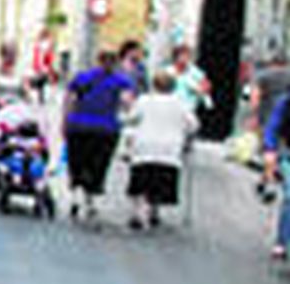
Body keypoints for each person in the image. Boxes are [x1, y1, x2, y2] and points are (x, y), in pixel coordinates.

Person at [63, 48, 135, 222]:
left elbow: (70, 101)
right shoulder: (121, 81)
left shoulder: (82, 78)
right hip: (105, 128)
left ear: (98, 60)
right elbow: (127, 103)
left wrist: (65, 122)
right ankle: (91, 200)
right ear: (116, 62)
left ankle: (75, 197)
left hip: (78, 125)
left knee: (77, 161)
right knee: (98, 164)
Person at [123, 69, 197, 231]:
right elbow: (193, 125)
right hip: (169, 150)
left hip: (144, 147)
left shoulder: (144, 100)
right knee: (160, 181)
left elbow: (130, 118)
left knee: (141, 182)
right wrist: (187, 138)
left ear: (154, 85)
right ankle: (153, 211)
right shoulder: (181, 104)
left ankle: (139, 213)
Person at [0, 40, 29, 158]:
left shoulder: (20, 73)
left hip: (14, 116)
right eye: (9, 55)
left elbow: (26, 94)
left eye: (14, 55)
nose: (11, 59)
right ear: (2, 55)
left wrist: (26, 92)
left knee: (15, 148)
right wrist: (2, 103)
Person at [262, 88, 290, 260]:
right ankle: (282, 242)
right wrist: (270, 149)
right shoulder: (286, 102)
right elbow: (272, 126)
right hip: (289, 153)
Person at [172, 43, 213, 116]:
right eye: (183, 55)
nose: (185, 58)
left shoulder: (194, 71)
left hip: (189, 107)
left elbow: (207, 85)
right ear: (176, 57)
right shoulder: (168, 71)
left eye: (187, 56)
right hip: (173, 106)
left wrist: (200, 89)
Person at [29, 27, 58, 101]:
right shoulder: (43, 44)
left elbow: (40, 56)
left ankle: (43, 96)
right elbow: (42, 56)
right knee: (47, 80)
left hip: (41, 65)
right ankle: (49, 95)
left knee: (43, 81)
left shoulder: (39, 43)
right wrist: (42, 67)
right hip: (43, 65)